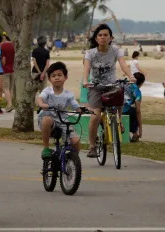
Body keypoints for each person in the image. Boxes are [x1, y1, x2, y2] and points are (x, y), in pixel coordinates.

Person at [82, 23, 136, 158]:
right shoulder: (90, 53)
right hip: (95, 87)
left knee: (120, 91)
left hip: (111, 84)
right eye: (100, 35)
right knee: (96, 116)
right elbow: (86, 69)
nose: (103, 37)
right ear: (96, 39)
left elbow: (123, 64)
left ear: (111, 38)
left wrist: (130, 76)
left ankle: (118, 120)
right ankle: (92, 146)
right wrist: (85, 80)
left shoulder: (116, 50)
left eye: (106, 35)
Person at [37, 62, 84, 159]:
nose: (57, 78)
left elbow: (75, 105)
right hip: (48, 118)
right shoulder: (47, 91)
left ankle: (73, 160)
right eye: (53, 76)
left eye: (59, 75)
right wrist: (42, 104)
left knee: (75, 141)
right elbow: (40, 98)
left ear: (65, 77)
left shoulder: (69, 94)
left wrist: (81, 110)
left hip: (63, 120)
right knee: (46, 119)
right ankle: (46, 148)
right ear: (49, 79)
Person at [122, 72, 145, 142]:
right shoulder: (137, 92)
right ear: (141, 84)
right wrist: (140, 128)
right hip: (123, 110)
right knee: (135, 111)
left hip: (114, 108)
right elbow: (138, 111)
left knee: (131, 110)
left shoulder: (124, 83)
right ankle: (135, 133)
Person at [1, 32, 15, 112]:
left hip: (5, 69)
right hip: (13, 69)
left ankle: (9, 104)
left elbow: (3, 60)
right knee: (11, 88)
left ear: (5, 36)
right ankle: (9, 104)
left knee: (6, 88)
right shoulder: (15, 45)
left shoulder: (2, 45)